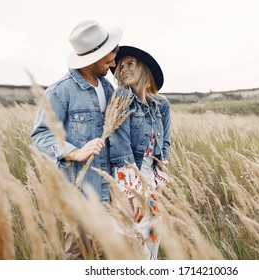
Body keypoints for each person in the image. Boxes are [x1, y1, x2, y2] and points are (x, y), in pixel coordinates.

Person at [30, 19, 123, 259]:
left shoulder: (108, 87)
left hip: (109, 189)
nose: (113, 64)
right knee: (78, 256)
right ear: (92, 59)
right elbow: (41, 134)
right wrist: (73, 151)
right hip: (79, 191)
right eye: (108, 60)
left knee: (107, 256)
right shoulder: (61, 91)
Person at [109, 46, 171, 259]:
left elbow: (164, 149)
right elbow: (120, 149)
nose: (123, 69)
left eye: (130, 64)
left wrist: (159, 186)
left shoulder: (159, 106)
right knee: (133, 246)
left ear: (143, 68)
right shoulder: (122, 96)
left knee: (152, 241)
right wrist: (132, 193)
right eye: (121, 66)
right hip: (128, 183)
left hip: (152, 185)